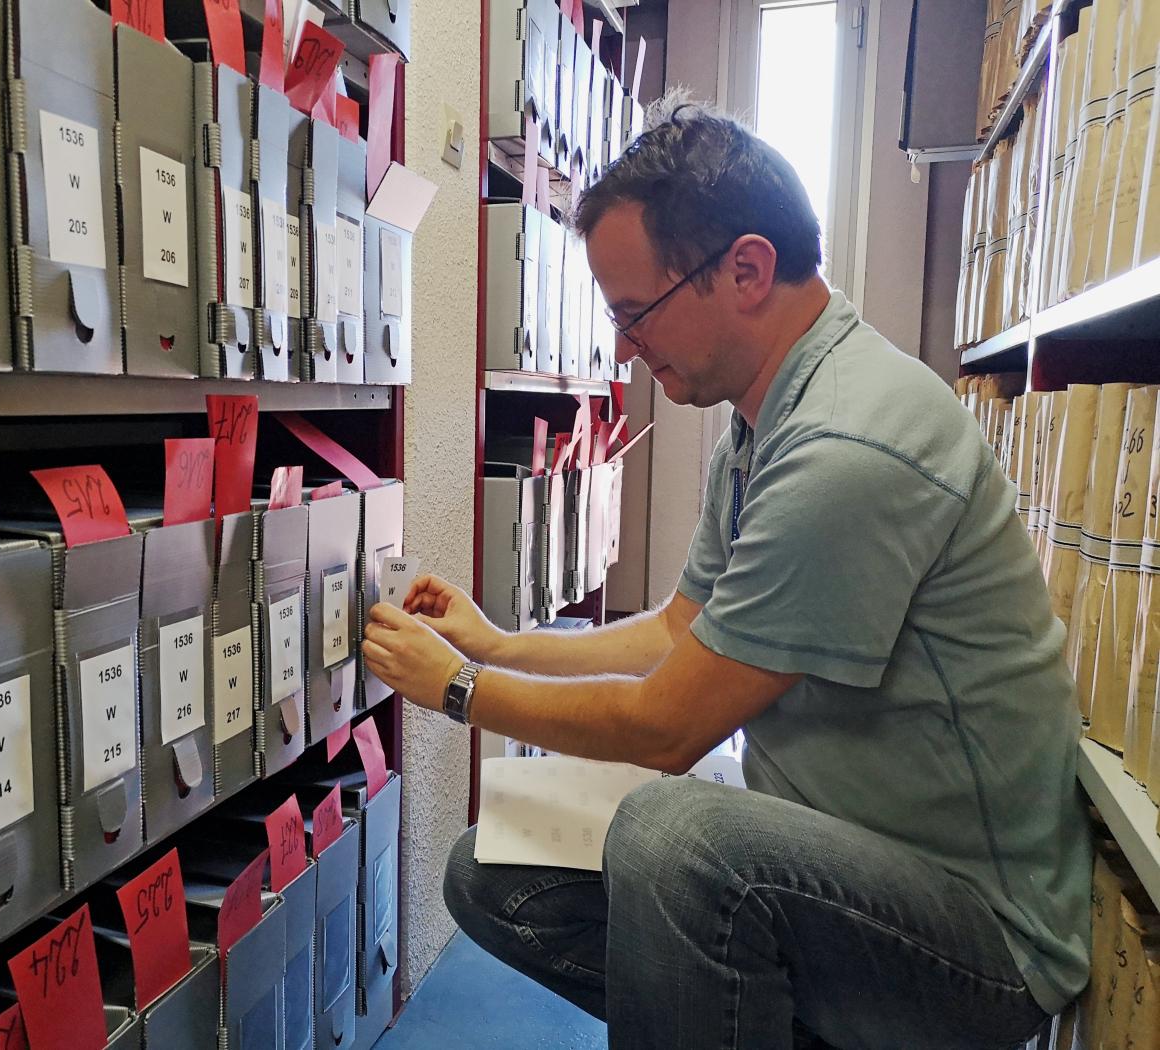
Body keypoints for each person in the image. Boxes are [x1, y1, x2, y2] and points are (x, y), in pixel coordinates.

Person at [360, 96, 1090, 1050]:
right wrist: (499, 643)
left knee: (676, 841)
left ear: (746, 269)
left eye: (637, 314)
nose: (624, 347)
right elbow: (678, 633)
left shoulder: (845, 446)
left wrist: (458, 689)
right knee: (497, 869)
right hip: (855, 859)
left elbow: (667, 726)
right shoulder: (763, 419)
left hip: (980, 946)